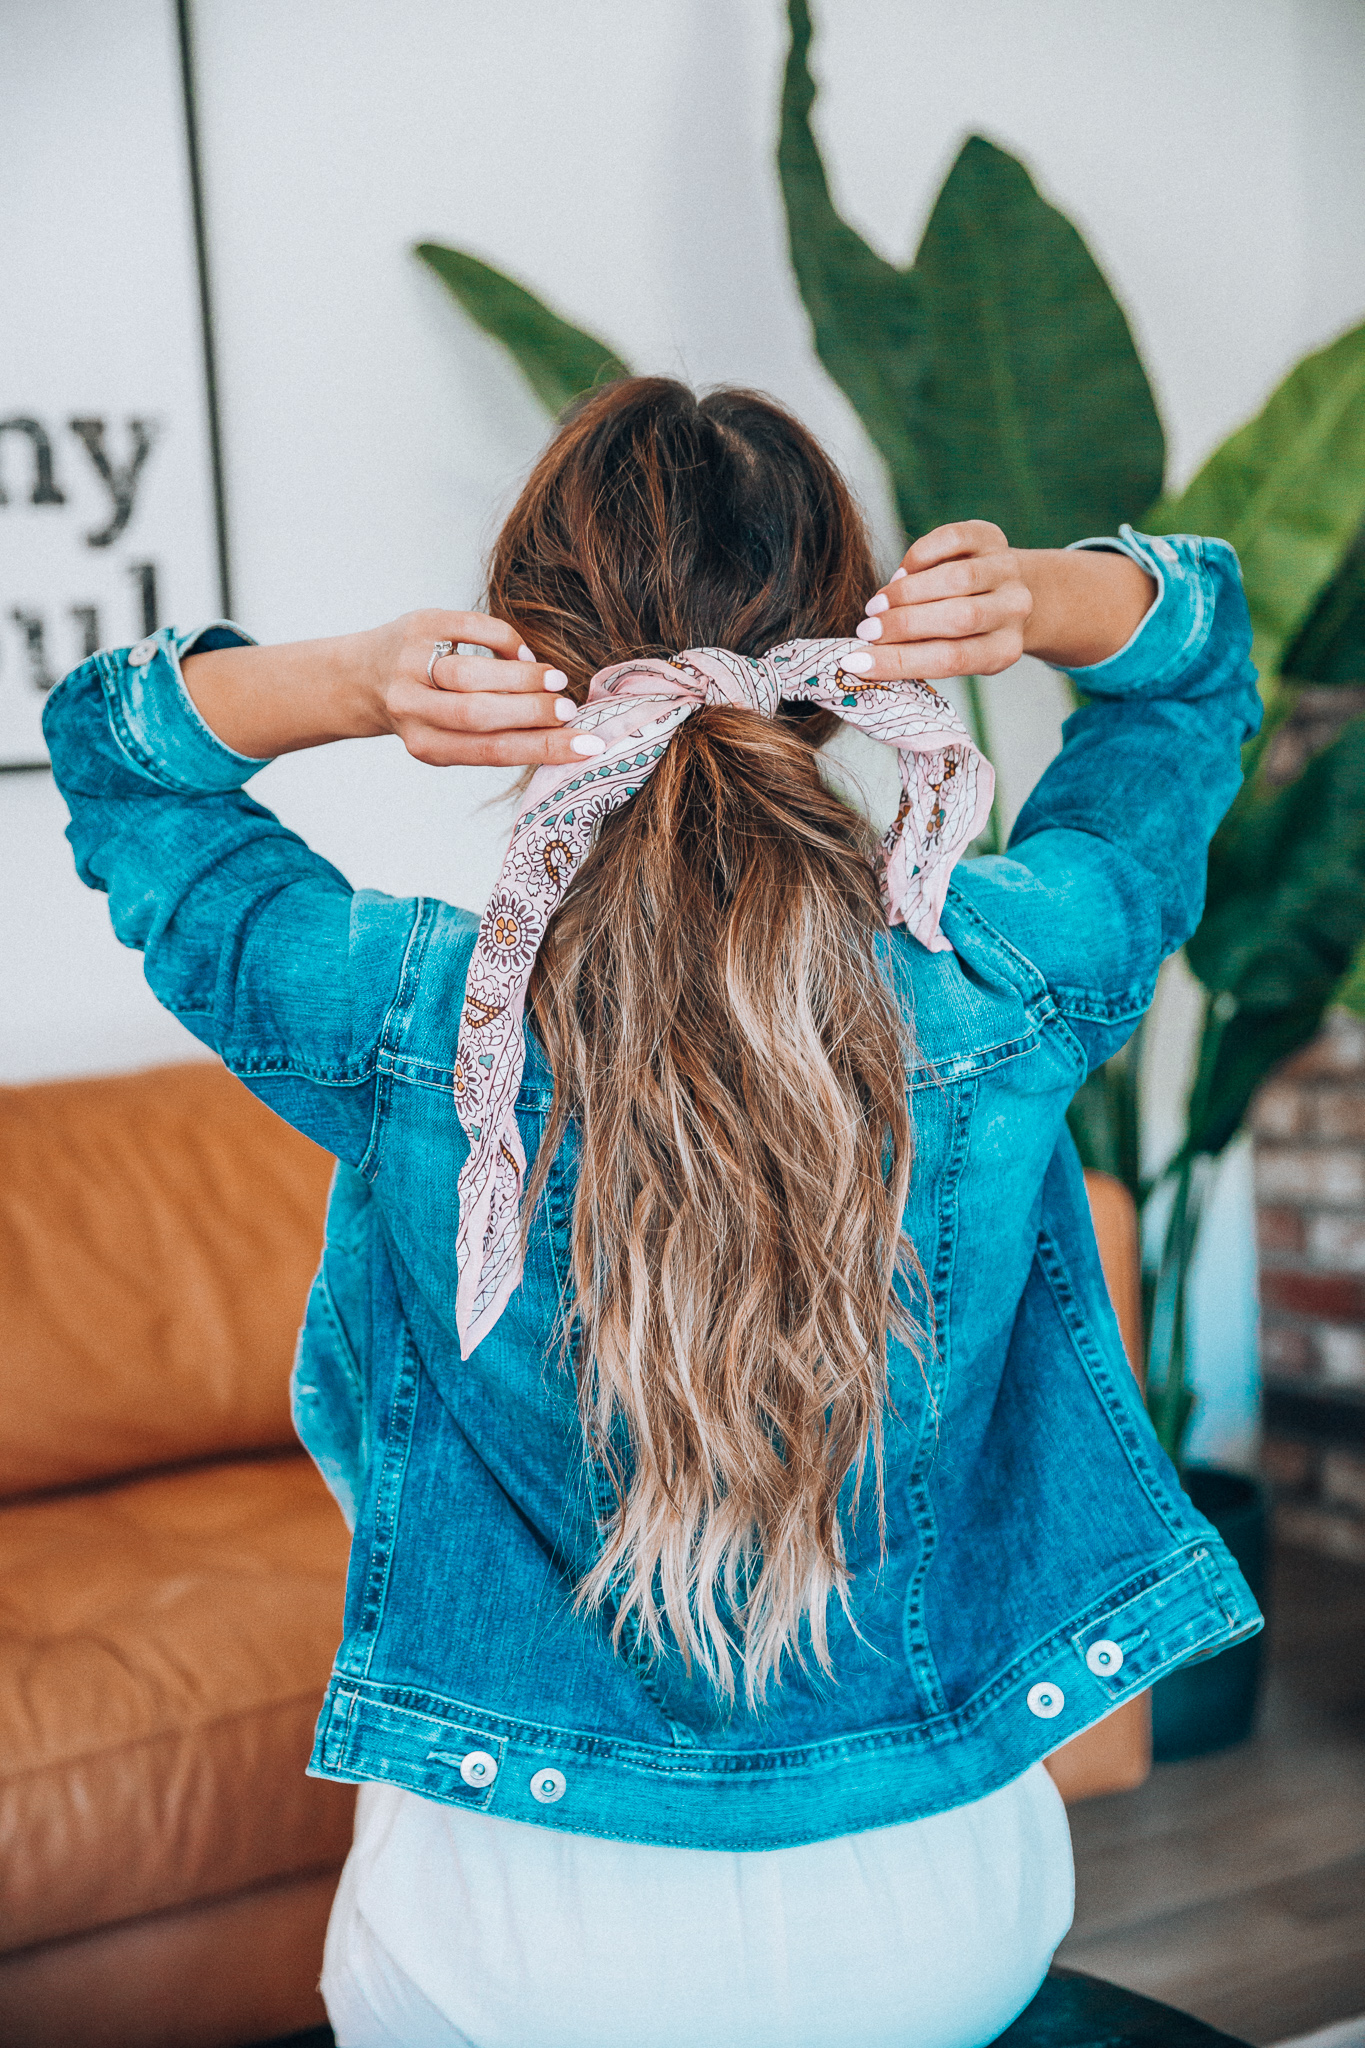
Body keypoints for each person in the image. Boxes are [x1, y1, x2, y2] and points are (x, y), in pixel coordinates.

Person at [45, 378, 1262, 2048]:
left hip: (513, 1966)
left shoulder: (408, 1018)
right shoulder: (1012, 973)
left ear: (527, 645)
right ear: (853, 656)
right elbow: (1187, 693)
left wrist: (343, 684)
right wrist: (1061, 599)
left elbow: (122, 769)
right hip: (940, 1937)